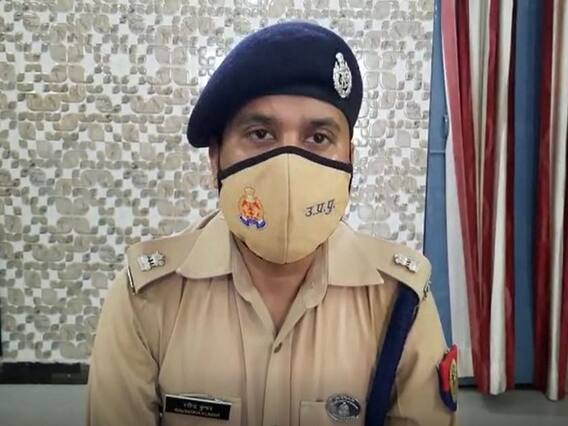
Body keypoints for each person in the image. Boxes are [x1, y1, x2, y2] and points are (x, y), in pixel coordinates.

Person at [86, 21, 458, 426]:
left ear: (350, 159)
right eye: (261, 133)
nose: (288, 165)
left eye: (318, 138)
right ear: (216, 158)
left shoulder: (400, 301)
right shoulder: (147, 298)